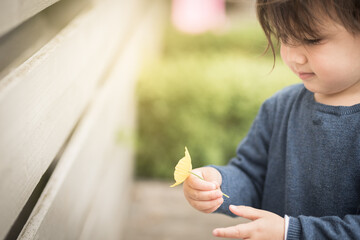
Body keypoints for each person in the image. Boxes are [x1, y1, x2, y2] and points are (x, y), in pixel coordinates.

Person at [182, 0, 360, 239]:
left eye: (312, 39)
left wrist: (290, 232)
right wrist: (217, 184)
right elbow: (252, 177)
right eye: (285, 37)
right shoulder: (280, 107)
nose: (293, 56)